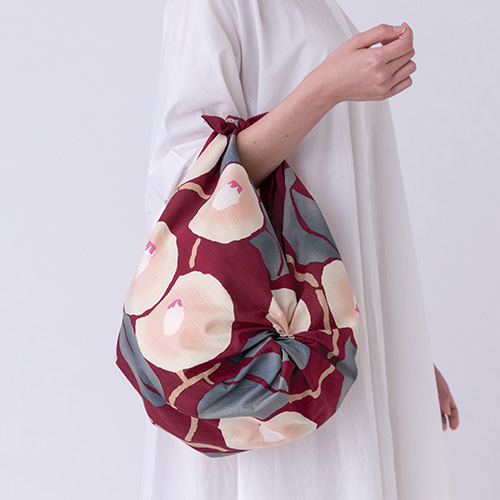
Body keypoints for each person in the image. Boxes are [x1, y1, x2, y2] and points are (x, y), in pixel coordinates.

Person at [140, 1, 459, 498]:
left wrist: (397, 350)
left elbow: (355, 209)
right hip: (270, 346)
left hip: (333, 341)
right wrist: (326, 87)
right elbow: (189, 180)